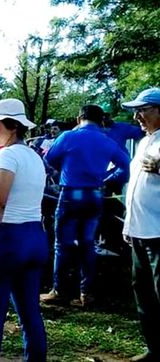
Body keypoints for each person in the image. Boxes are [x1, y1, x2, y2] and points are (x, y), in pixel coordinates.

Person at [0, 98, 48, 362]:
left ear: (13, 126)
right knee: (30, 313)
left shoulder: (7, 155)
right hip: (35, 237)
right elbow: (17, 198)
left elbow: (1, 202)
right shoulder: (34, 157)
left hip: (8, 240)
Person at [41, 105, 130, 308]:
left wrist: (65, 168)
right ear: (101, 121)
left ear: (79, 117)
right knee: (88, 244)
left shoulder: (68, 137)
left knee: (62, 244)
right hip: (95, 195)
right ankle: (86, 293)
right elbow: (126, 166)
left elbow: (50, 159)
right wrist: (107, 178)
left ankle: (60, 291)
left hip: (70, 194)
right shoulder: (108, 141)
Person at [121, 88, 160, 362]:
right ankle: (154, 349)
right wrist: (127, 224)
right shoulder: (145, 141)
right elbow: (134, 187)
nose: (137, 116)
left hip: (158, 233)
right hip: (138, 231)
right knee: (144, 294)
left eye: (143, 109)